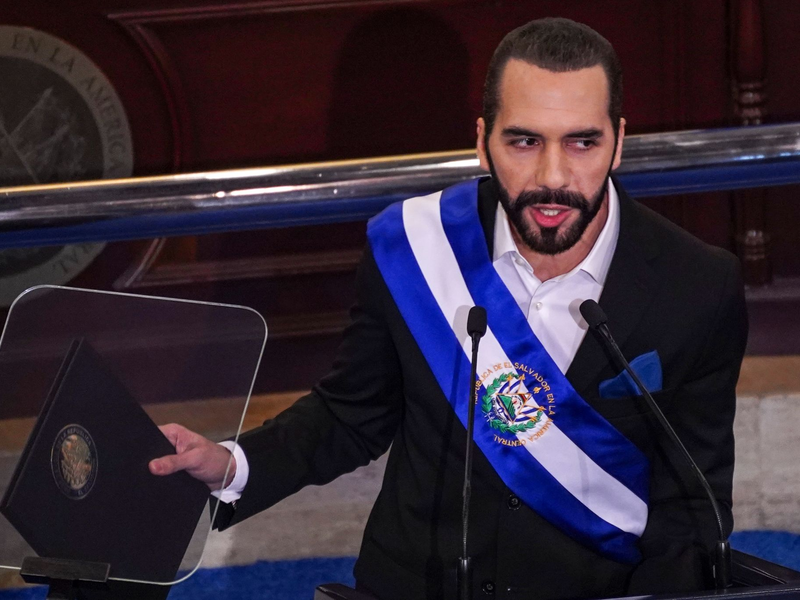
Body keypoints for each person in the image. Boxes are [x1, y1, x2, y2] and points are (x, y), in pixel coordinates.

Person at [150, 17, 748, 600]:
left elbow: (691, 507)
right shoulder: (414, 246)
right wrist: (231, 464)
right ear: (483, 142)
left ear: (619, 142)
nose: (553, 176)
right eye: (524, 141)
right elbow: (350, 415)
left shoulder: (697, 285)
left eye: (582, 142)